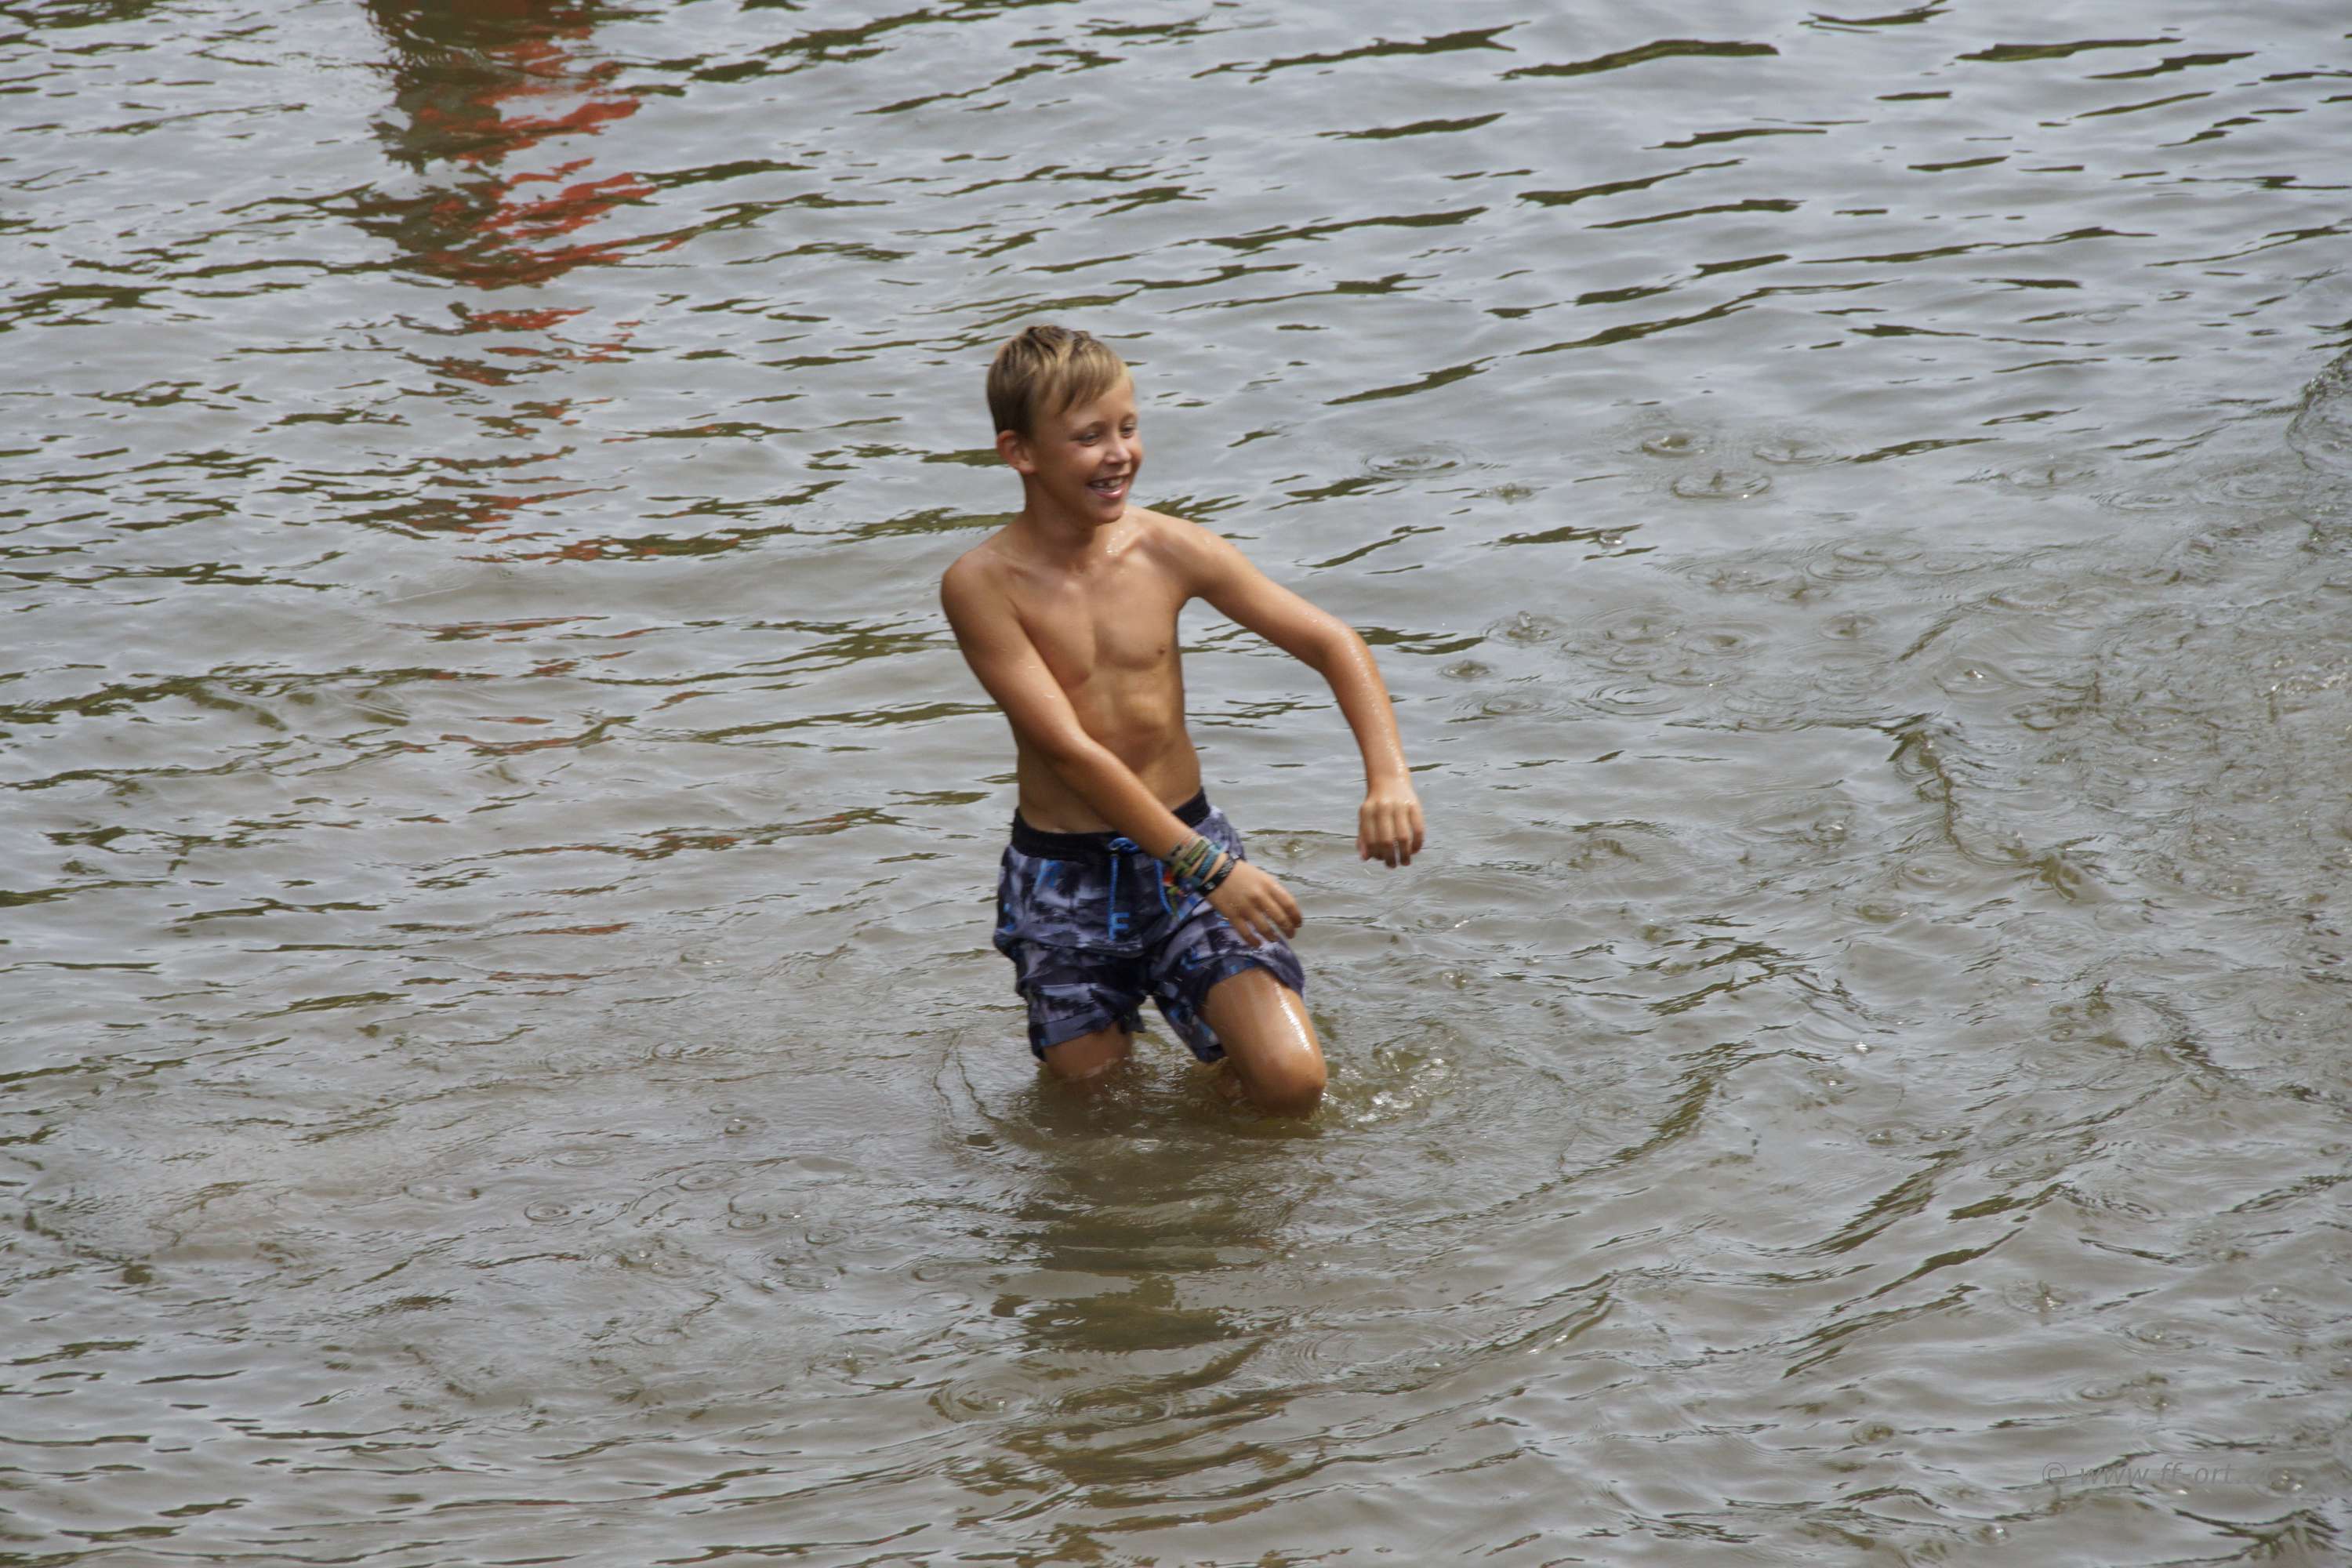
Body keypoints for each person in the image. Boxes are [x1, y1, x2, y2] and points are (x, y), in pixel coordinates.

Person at [942, 325, 1425, 1116]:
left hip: (1188, 848)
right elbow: (1068, 750)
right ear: (1019, 452)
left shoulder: (1170, 549)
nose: (1119, 454)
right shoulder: (982, 584)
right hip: (1066, 874)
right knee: (1097, 1111)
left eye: (1128, 428)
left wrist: (1389, 777)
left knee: (1292, 1083)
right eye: (1089, 437)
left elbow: (1332, 641)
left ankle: (1224, 1147)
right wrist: (1213, 870)